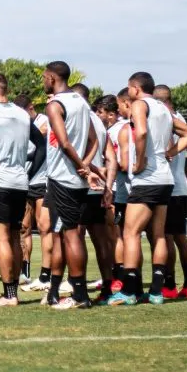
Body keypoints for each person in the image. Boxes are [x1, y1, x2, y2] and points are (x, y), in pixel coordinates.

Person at [108, 72, 187, 306]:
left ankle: (128, 291)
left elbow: (143, 131)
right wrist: (170, 153)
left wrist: (140, 162)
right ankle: (156, 292)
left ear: (135, 88)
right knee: (158, 235)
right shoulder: (163, 109)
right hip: (166, 180)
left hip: (147, 178)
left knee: (130, 233)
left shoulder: (140, 104)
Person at [0, 73, 46, 306]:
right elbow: (42, 145)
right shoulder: (23, 114)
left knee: (1, 237)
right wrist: (29, 173)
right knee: (15, 236)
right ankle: (14, 291)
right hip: (20, 183)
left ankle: (9, 295)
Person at [42, 62, 99, 309]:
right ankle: (54, 292)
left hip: (62, 178)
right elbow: (94, 141)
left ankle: (79, 296)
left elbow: (65, 144)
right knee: (60, 234)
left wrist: (82, 167)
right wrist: (85, 165)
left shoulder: (55, 104)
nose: (43, 80)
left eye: (45, 77)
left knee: (71, 235)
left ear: (53, 78)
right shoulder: (81, 102)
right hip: (73, 177)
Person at [153, 84, 187, 301]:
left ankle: (171, 285)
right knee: (180, 238)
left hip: (169, 186)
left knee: (166, 237)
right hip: (180, 185)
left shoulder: (166, 118)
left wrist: (170, 153)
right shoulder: (179, 116)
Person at [71, 83, 116, 302]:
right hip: (98, 187)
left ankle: (78, 288)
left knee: (75, 237)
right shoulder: (99, 121)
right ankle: (108, 286)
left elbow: (77, 153)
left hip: (81, 185)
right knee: (101, 240)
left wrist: (87, 169)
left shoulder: (78, 118)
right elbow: (111, 157)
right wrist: (108, 185)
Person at [13, 94, 52, 293]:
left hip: (41, 180)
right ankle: (24, 270)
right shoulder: (21, 124)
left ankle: (47, 272)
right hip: (24, 180)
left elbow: (40, 142)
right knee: (24, 227)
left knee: (44, 226)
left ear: (31, 108)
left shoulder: (44, 120)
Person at [95, 93, 130, 292]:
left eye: (100, 112)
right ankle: (117, 275)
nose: (98, 115)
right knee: (113, 235)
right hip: (115, 189)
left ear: (110, 115)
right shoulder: (112, 129)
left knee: (116, 235)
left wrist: (103, 170)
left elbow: (120, 162)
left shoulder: (118, 130)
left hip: (118, 190)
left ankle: (119, 276)